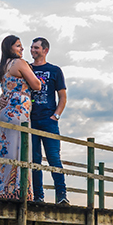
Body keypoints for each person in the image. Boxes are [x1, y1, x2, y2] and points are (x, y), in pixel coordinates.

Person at [0, 35, 42, 199]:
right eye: (18, 46)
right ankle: (18, 191)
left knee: (5, 151)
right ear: (10, 48)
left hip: (4, 111)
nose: (22, 49)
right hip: (18, 110)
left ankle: (2, 191)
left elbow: (6, 90)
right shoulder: (19, 63)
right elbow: (37, 85)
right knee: (20, 149)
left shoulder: (3, 67)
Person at [27, 37, 68, 205]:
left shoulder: (54, 70)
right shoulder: (27, 68)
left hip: (49, 121)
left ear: (45, 50)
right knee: (34, 160)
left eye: (36, 47)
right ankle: (38, 196)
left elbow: (63, 97)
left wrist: (56, 116)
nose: (32, 50)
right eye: (31, 47)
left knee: (54, 158)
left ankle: (61, 195)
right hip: (30, 120)